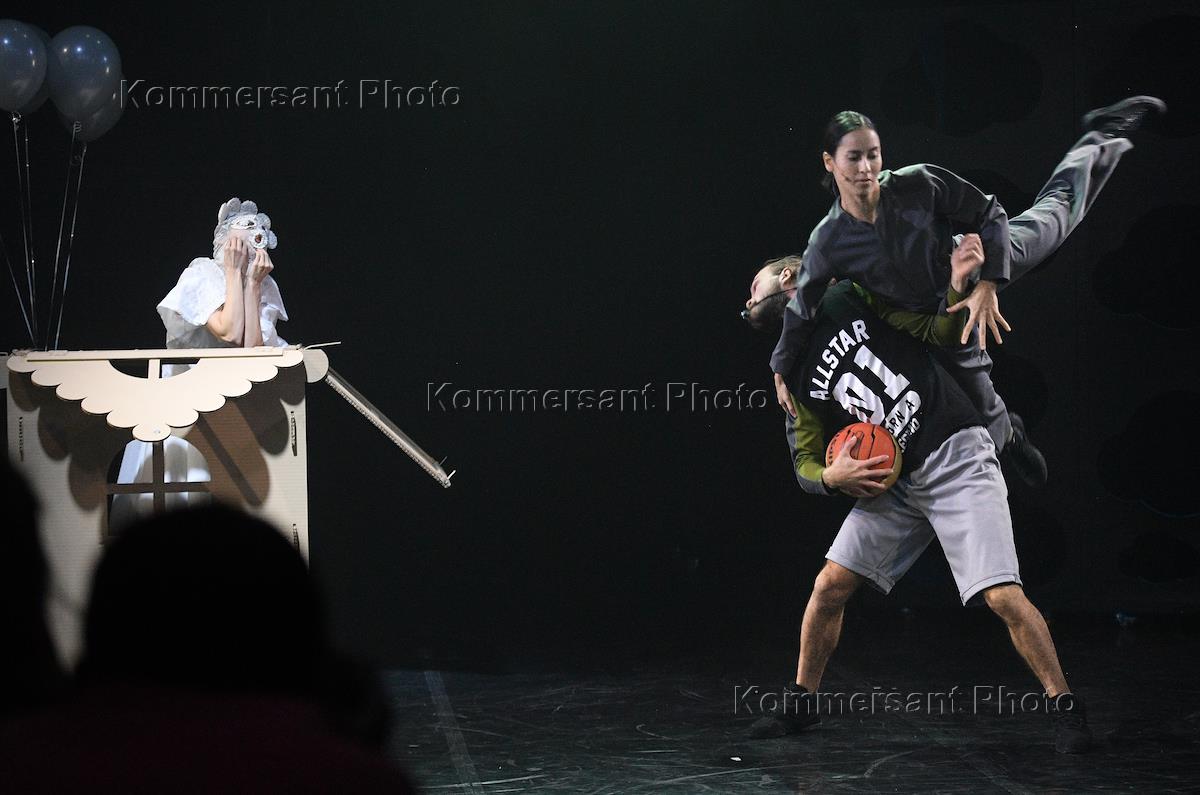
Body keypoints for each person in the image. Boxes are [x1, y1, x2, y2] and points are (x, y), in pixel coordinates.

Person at [746, 246, 1091, 754]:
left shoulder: (850, 294)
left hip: (954, 453)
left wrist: (956, 286)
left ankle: (1065, 707)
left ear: (787, 277)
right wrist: (831, 476)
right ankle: (803, 701)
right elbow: (804, 464)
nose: (747, 302)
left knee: (1001, 595)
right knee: (829, 586)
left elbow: (931, 324)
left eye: (753, 288)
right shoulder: (790, 372)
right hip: (897, 480)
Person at [755, 96, 1166, 487]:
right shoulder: (827, 241)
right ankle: (1008, 437)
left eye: (873, 155)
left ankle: (1101, 135)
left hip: (968, 265)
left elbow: (989, 212)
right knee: (976, 396)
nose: (865, 168)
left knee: (1053, 222)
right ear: (830, 162)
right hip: (924, 321)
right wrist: (780, 369)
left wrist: (987, 283)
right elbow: (801, 310)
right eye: (853, 158)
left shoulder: (917, 182)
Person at [110, 198, 289, 526]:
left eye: (260, 229)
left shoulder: (262, 285)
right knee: (180, 495)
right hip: (184, 409)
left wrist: (252, 284)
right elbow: (228, 330)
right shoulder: (203, 272)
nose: (256, 235)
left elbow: (252, 352)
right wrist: (233, 272)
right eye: (247, 228)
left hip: (232, 411)